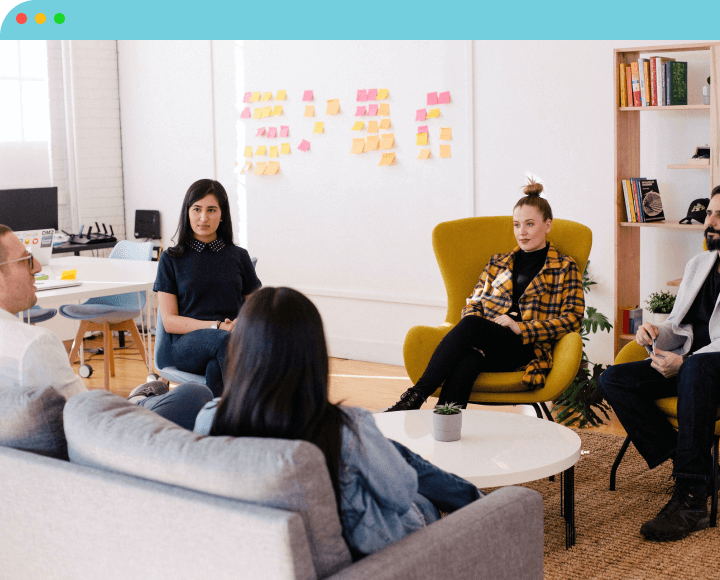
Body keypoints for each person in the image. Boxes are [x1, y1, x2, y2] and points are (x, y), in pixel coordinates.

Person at [192, 287, 484, 557]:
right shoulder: (345, 428)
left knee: (388, 449)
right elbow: (400, 494)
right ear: (314, 354)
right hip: (369, 557)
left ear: (240, 350)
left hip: (264, 552)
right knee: (417, 494)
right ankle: (486, 508)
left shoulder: (210, 418)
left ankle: (474, 498)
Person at [598, 184, 720, 542]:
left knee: (697, 369)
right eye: (709, 213)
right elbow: (682, 325)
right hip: (694, 367)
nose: (710, 221)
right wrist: (655, 333)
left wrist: (686, 361)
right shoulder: (699, 263)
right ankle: (700, 468)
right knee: (614, 379)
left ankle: (692, 500)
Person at [386, 179, 585, 411]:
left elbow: (573, 318)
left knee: (471, 325)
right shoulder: (498, 262)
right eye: (517, 225)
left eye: (530, 224)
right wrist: (487, 329)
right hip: (488, 342)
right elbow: (474, 302)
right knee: (469, 359)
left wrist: (522, 327)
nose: (522, 232)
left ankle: (415, 396)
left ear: (547, 225)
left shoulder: (564, 267)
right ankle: (444, 422)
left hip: (526, 348)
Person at [0, 224, 212, 430]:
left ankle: (135, 401)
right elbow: (88, 417)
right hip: (108, 438)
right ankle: (137, 402)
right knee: (195, 394)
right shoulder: (33, 346)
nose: (37, 266)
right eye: (25, 260)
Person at [154, 179, 261, 396]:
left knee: (217, 367)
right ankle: (256, 413)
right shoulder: (171, 259)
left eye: (211, 210)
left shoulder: (239, 256)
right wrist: (217, 326)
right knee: (226, 342)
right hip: (187, 346)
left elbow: (259, 308)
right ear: (187, 213)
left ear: (222, 215)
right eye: (197, 209)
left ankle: (218, 424)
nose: (204, 218)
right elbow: (170, 321)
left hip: (229, 342)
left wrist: (242, 321)